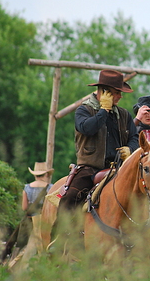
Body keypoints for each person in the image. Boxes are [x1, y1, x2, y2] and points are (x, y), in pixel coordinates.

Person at [58, 70, 139, 214]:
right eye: (117, 92)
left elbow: (135, 137)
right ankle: (59, 236)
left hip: (120, 169)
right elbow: (87, 129)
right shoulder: (83, 110)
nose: (120, 96)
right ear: (105, 92)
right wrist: (104, 111)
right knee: (69, 198)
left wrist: (130, 149)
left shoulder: (124, 114)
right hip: (89, 169)